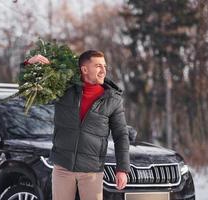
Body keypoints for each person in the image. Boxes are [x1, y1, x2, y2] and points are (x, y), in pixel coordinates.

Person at [25, 50, 130, 200]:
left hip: (92, 171)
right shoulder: (64, 89)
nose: (103, 70)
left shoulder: (112, 100)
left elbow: (121, 135)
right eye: (98, 66)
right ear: (85, 69)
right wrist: (29, 64)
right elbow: (30, 89)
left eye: (105, 66)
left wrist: (122, 169)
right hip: (63, 168)